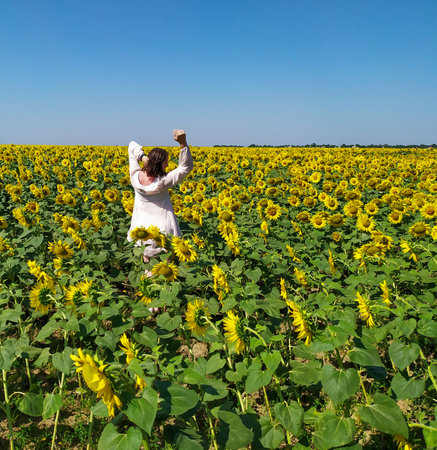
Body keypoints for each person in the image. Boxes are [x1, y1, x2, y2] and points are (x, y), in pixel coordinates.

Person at [127, 129, 193, 263]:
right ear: (160, 164)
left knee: (148, 267)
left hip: (142, 231)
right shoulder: (162, 182)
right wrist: (183, 144)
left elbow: (131, 145)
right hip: (164, 231)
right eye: (165, 162)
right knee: (166, 269)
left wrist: (142, 157)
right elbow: (185, 167)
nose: (168, 164)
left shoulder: (135, 177)